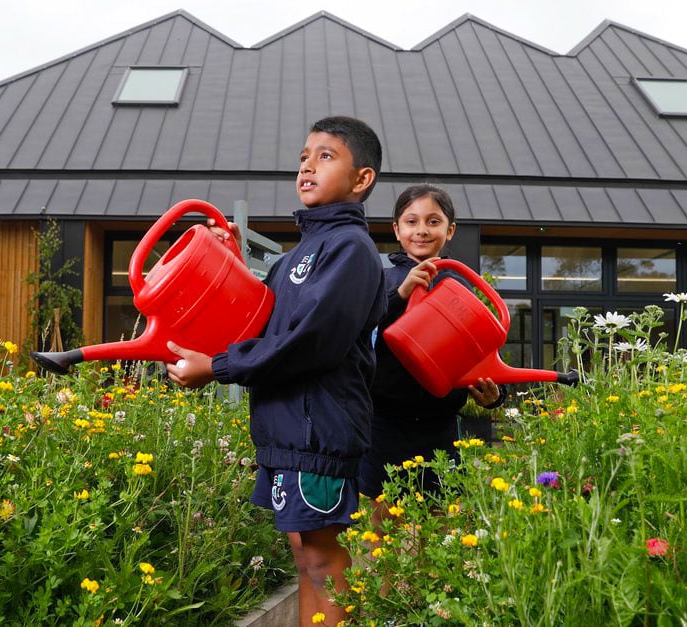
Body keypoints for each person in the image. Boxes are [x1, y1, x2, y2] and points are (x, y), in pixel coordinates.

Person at [165, 116, 385, 627]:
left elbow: (310, 342)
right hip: (290, 432)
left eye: (326, 156)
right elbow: (262, 317)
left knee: (324, 560)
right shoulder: (300, 254)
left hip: (319, 433)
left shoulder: (349, 249)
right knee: (305, 557)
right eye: (304, 156)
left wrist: (217, 367)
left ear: (362, 179)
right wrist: (229, 259)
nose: (307, 164)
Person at [360, 183, 507, 532]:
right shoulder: (381, 282)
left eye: (433, 221)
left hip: (439, 430)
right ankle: (384, 590)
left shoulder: (460, 286)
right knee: (380, 533)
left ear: (450, 230)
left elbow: (480, 351)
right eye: (411, 221)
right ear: (396, 230)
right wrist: (400, 293)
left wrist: (495, 395)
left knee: (439, 533)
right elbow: (357, 332)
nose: (421, 230)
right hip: (382, 426)